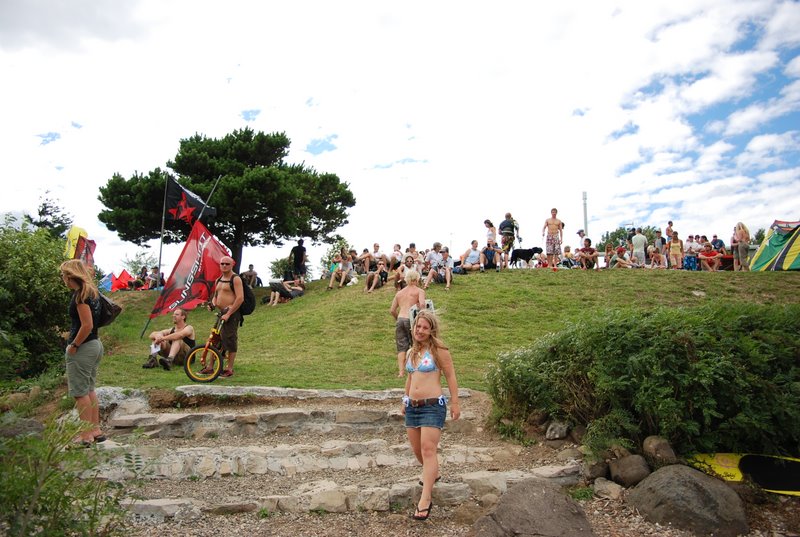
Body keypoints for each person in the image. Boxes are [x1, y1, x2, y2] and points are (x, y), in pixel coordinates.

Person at [401, 309, 460, 521]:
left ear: (431, 330)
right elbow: (410, 378)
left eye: (425, 328)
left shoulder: (439, 350)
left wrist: (455, 402)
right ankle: (434, 472)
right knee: (418, 451)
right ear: (413, 327)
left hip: (433, 406)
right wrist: (405, 399)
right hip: (412, 407)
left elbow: (450, 376)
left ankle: (425, 499)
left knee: (428, 450)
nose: (420, 330)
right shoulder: (411, 352)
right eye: (418, 326)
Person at [60, 259, 106, 446]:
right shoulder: (93, 293)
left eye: (63, 275)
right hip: (95, 344)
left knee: (80, 393)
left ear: (70, 276)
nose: (63, 278)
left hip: (84, 347)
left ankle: (85, 435)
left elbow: (87, 325)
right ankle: (95, 430)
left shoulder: (80, 296)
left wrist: (74, 345)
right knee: (89, 389)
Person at [210, 256, 244, 378]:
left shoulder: (235, 279)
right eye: (222, 263)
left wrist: (229, 314)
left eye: (227, 264)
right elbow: (215, 296)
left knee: (230, 340)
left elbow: (240, 298)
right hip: (221, 313)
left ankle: (229, 369)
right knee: (215, 339)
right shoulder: (218, 279)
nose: (224, 266)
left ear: (232, 265)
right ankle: (210, 367)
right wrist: (212, 304)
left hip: (232, 314)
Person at [390, 269, 426, 378]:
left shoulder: (399, 293)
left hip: (400, 318)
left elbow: (392, 310)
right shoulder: (419, 291)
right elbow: (422, 305)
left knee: (401, 347)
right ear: (417, 279)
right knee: (416, 344)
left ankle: (401, 372)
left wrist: (397, 319)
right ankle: (416, 368)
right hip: (411, 319)